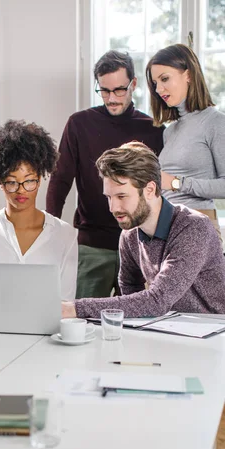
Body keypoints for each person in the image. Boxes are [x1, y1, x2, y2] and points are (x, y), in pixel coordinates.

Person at [46, 50, 165, 299]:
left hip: (139, 246)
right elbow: (60, 181)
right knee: (80, 320)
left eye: (119, 90)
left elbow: (159, 193)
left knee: (134, 325)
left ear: (133, 84)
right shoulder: (79, 124)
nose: (111, 98)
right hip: (92, 246)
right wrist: (50, 233)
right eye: (104, 90)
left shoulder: (153, 130)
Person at [62, 142, 225, 319]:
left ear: (149, 190)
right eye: (109, 197)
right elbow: (130, 289)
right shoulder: (129, 234)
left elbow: (157, 300)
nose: (113, 207)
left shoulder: (193, 228)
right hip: (169, 328)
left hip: (214, 330)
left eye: (121, 196)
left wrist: (74, 309)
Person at [0, 120, 78, 302]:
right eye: (11, 181)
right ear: (0, 183)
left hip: (47, 330)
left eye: (29, 180)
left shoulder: (65, 235)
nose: (21, 190)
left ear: (39, 180)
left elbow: (66, 302)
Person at [146, 43, 225, 239]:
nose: (159, 89)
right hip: (166, 225)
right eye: (155, 82)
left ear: (188, 75)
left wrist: (175, 182)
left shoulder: (215, 122)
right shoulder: (170, 131)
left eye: (165, 79)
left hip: (198, 225)